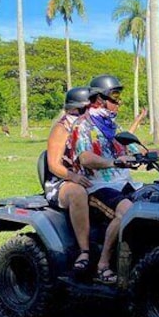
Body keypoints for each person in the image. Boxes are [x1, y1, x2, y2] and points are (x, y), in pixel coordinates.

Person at [76, 74, 159, 284]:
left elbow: (140, 152)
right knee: (126, 211)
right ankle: (102, 266)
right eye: (114, 98)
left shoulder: (113, 128)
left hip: (124, 183)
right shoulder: (83, 126)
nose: (119, 103)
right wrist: (114, 162)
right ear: (99, 99)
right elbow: (85, 158)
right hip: (99, 187)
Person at [44, 85, 94, 274]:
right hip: (61, 182)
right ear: (76, 108)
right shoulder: (61, 128)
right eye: (87, 108)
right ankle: (84, 251)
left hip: (87, 178)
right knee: (78, 193)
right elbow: (53, 165)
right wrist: (74, 177)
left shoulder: (90, 127)